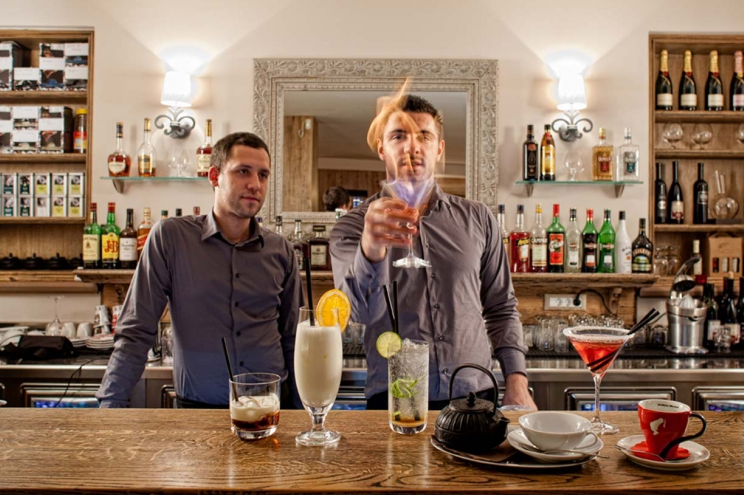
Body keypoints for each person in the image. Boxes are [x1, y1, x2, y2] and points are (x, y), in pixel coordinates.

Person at [330, 94, 537, 410]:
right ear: (382, 148)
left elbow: (501, 307)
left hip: (474, 394)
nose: (412, 147)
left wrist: (517, 382)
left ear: (439, 149)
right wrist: (370, 247)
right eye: (398, 136)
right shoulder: (352, 226)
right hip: (396, 396)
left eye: (424, 136)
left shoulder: (478, 218)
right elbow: (356, 313)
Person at [97, 132, 302, 408]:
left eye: (263, 175)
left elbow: (294, 339)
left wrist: (303, 414)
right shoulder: (170, 238)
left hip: (272, 409)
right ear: (214, 176)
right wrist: (110, 406)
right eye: (243, 171)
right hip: (198, 412)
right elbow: (136, 331)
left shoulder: (281, 250)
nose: (255, 184)